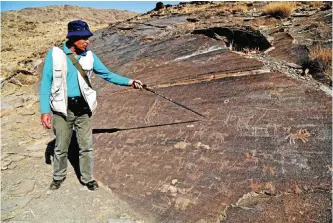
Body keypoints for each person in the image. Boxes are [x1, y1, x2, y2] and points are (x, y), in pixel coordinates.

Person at [40, 20, 143, 191]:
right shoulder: (55, 55)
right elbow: (45, 83)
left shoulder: (90, 56)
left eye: (88, 38)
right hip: (62, 109)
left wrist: (130, 82)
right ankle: (58, 176)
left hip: (83, 109)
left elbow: (108, 74)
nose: (87, 41)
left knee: (86, 146)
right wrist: (45, 111)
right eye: (83, 38)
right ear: (73, 38)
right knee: (60, 147)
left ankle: (87, 178)